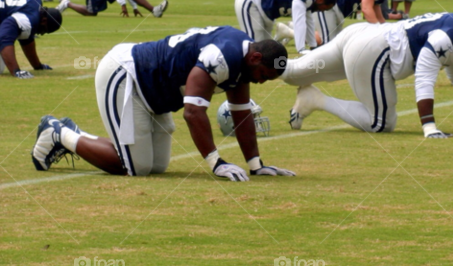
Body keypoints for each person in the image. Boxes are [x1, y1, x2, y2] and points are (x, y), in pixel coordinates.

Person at [31, 26, 293, 180]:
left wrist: (256, 165)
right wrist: (217, 162)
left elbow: (241, 113)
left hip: (155, 92)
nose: (261, 83)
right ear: (255, 57)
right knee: (135, 167)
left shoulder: (245, 63)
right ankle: (59, 133)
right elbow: (192, 112)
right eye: (263, 76)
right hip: (127, 75)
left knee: (156, 166)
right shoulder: (223, 56)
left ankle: (71, 134)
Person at [285, 12, 453, 138]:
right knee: (381, 123)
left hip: (364, 34)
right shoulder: (446, 39)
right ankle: (316, 100)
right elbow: (424, 80)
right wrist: (429, 127)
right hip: (373, 51)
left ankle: (260, 56)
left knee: (291, 71)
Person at [235, 0, 331, 53]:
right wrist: (301, 49)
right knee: (254, 46)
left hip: (265, 8)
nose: (322, 11)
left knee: (264, 50)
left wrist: (313, 46)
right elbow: (299, 21)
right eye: (325, 8)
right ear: (321, 0)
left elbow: (309, 21)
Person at [314, 0, 407, 44]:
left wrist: (388, 31)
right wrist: (379, 31)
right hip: (328, 3)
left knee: (337, 42)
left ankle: (307, 37)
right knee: (329, 43)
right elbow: (366, 9)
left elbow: (379, 17)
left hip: (338, 8)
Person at [0, 0, 62, 78]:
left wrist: (38, 66)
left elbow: (26, 40)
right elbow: (4, 38)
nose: (41, 34)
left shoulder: (36, 2)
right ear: (44, 21)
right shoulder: (30, 18)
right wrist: (16, 71)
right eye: (44, 30)